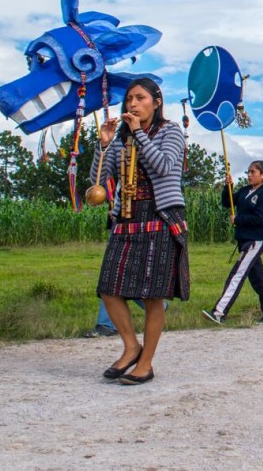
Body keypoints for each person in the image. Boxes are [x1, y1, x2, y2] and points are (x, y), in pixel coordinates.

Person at [91, 77, 189, 385]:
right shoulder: (122, 137)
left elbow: (164, 166)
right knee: (108, 286)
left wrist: (138, 134)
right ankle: (131, 346)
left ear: (156, 102)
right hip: (127, 216)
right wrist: (105, 144)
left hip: (160, 217)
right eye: (129, 99)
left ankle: (145, 363)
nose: (132, 104)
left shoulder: (171, 131)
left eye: (140, 98)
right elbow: (99, 180)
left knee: (153, 296)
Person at [203, 159, 263, 325]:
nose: (249, 175)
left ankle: (219, 312)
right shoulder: (246, 190)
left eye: (253, 172)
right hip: (243, 240)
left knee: (237, 274)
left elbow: (261, 219)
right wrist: (228, 187)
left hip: (255, 241)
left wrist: (238, 219)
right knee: (259, 279)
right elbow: (227, 202)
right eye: (248, 172)